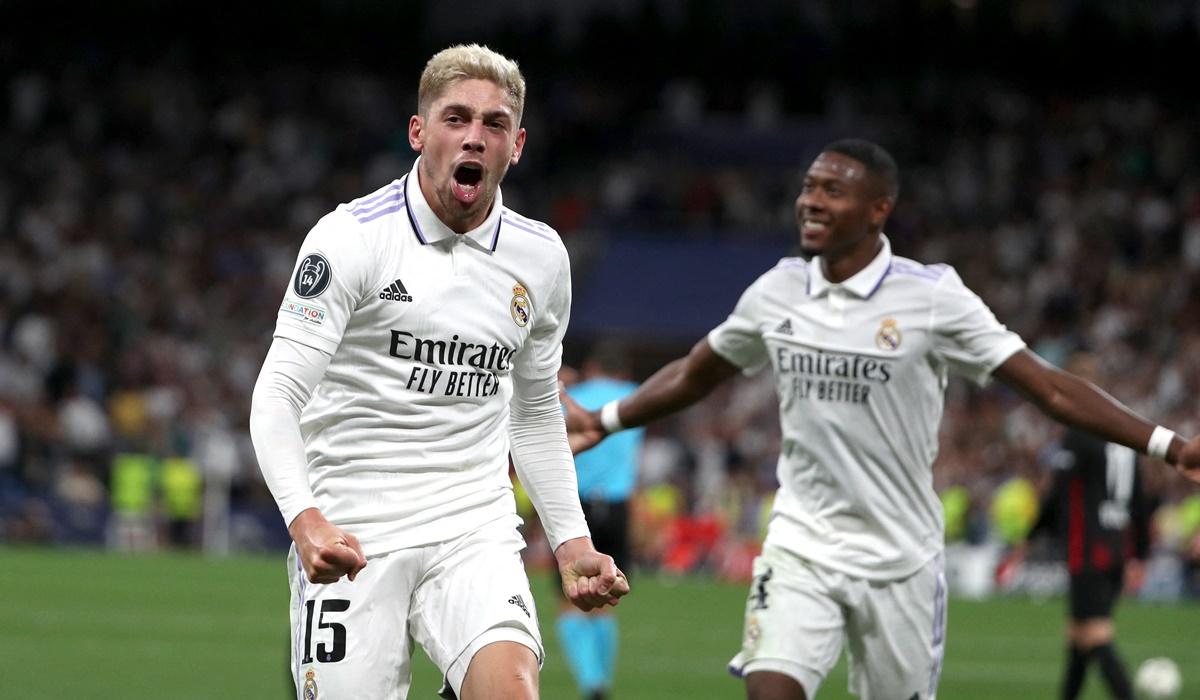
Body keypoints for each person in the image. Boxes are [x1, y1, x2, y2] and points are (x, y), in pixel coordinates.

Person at [565, 139, 1200, 700]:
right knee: (770, 685)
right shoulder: (778, 290)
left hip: (901, 559)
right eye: (809, 187)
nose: (811, 201)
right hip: (802, 543)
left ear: (878, 210)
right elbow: (700, 370)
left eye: (833, 190)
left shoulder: (931, 298)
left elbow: (1050, 389)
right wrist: (608, 418)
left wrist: (1168, 445)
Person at [249, 44, 628, 700]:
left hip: (472, 526)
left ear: (518, 144)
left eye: (495, 124)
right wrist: (304, 519)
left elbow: (535, 410)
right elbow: (279, 392)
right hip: (352, 526)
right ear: (419, 131)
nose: (475, 137)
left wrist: (571, 543)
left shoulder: (540, 258)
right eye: (456, 118)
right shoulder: (351, 240)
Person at [1019, 353, 1152, 700]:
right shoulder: (1123, 431)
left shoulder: (1077, 435)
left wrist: (1029, 538)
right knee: (1078, 635)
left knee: (1093, 635)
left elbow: (1057, 496)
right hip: (1117, 549)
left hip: (1088, 550)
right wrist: (1139, 555)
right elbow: (1140, 500)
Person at [555, 342, 644, 700]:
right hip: (620, 506)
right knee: (607, 598)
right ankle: (602, 680)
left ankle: (590, 681)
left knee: (571, 597)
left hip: (577, 508)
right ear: (621, 372)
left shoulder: (574, 396)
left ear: (591, 366)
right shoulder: (631, 397)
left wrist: (567, 383)